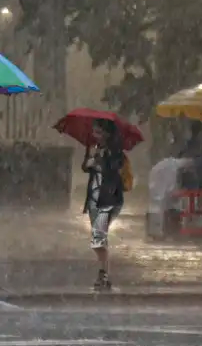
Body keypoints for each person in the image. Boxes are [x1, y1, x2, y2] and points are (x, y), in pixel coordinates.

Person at [81, 118, 125, 291]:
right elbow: (84, 167)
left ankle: (104, 274)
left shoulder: (115, 151)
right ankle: (104, 273)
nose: (95, 135)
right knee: (98, 236)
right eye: (94, 132)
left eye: (98, 132)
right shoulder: (93, 148)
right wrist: (90, 159)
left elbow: (114, 170)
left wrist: (101, 160)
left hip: (109, 199)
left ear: (107, 134)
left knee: (98, 236)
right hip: (93, 198)